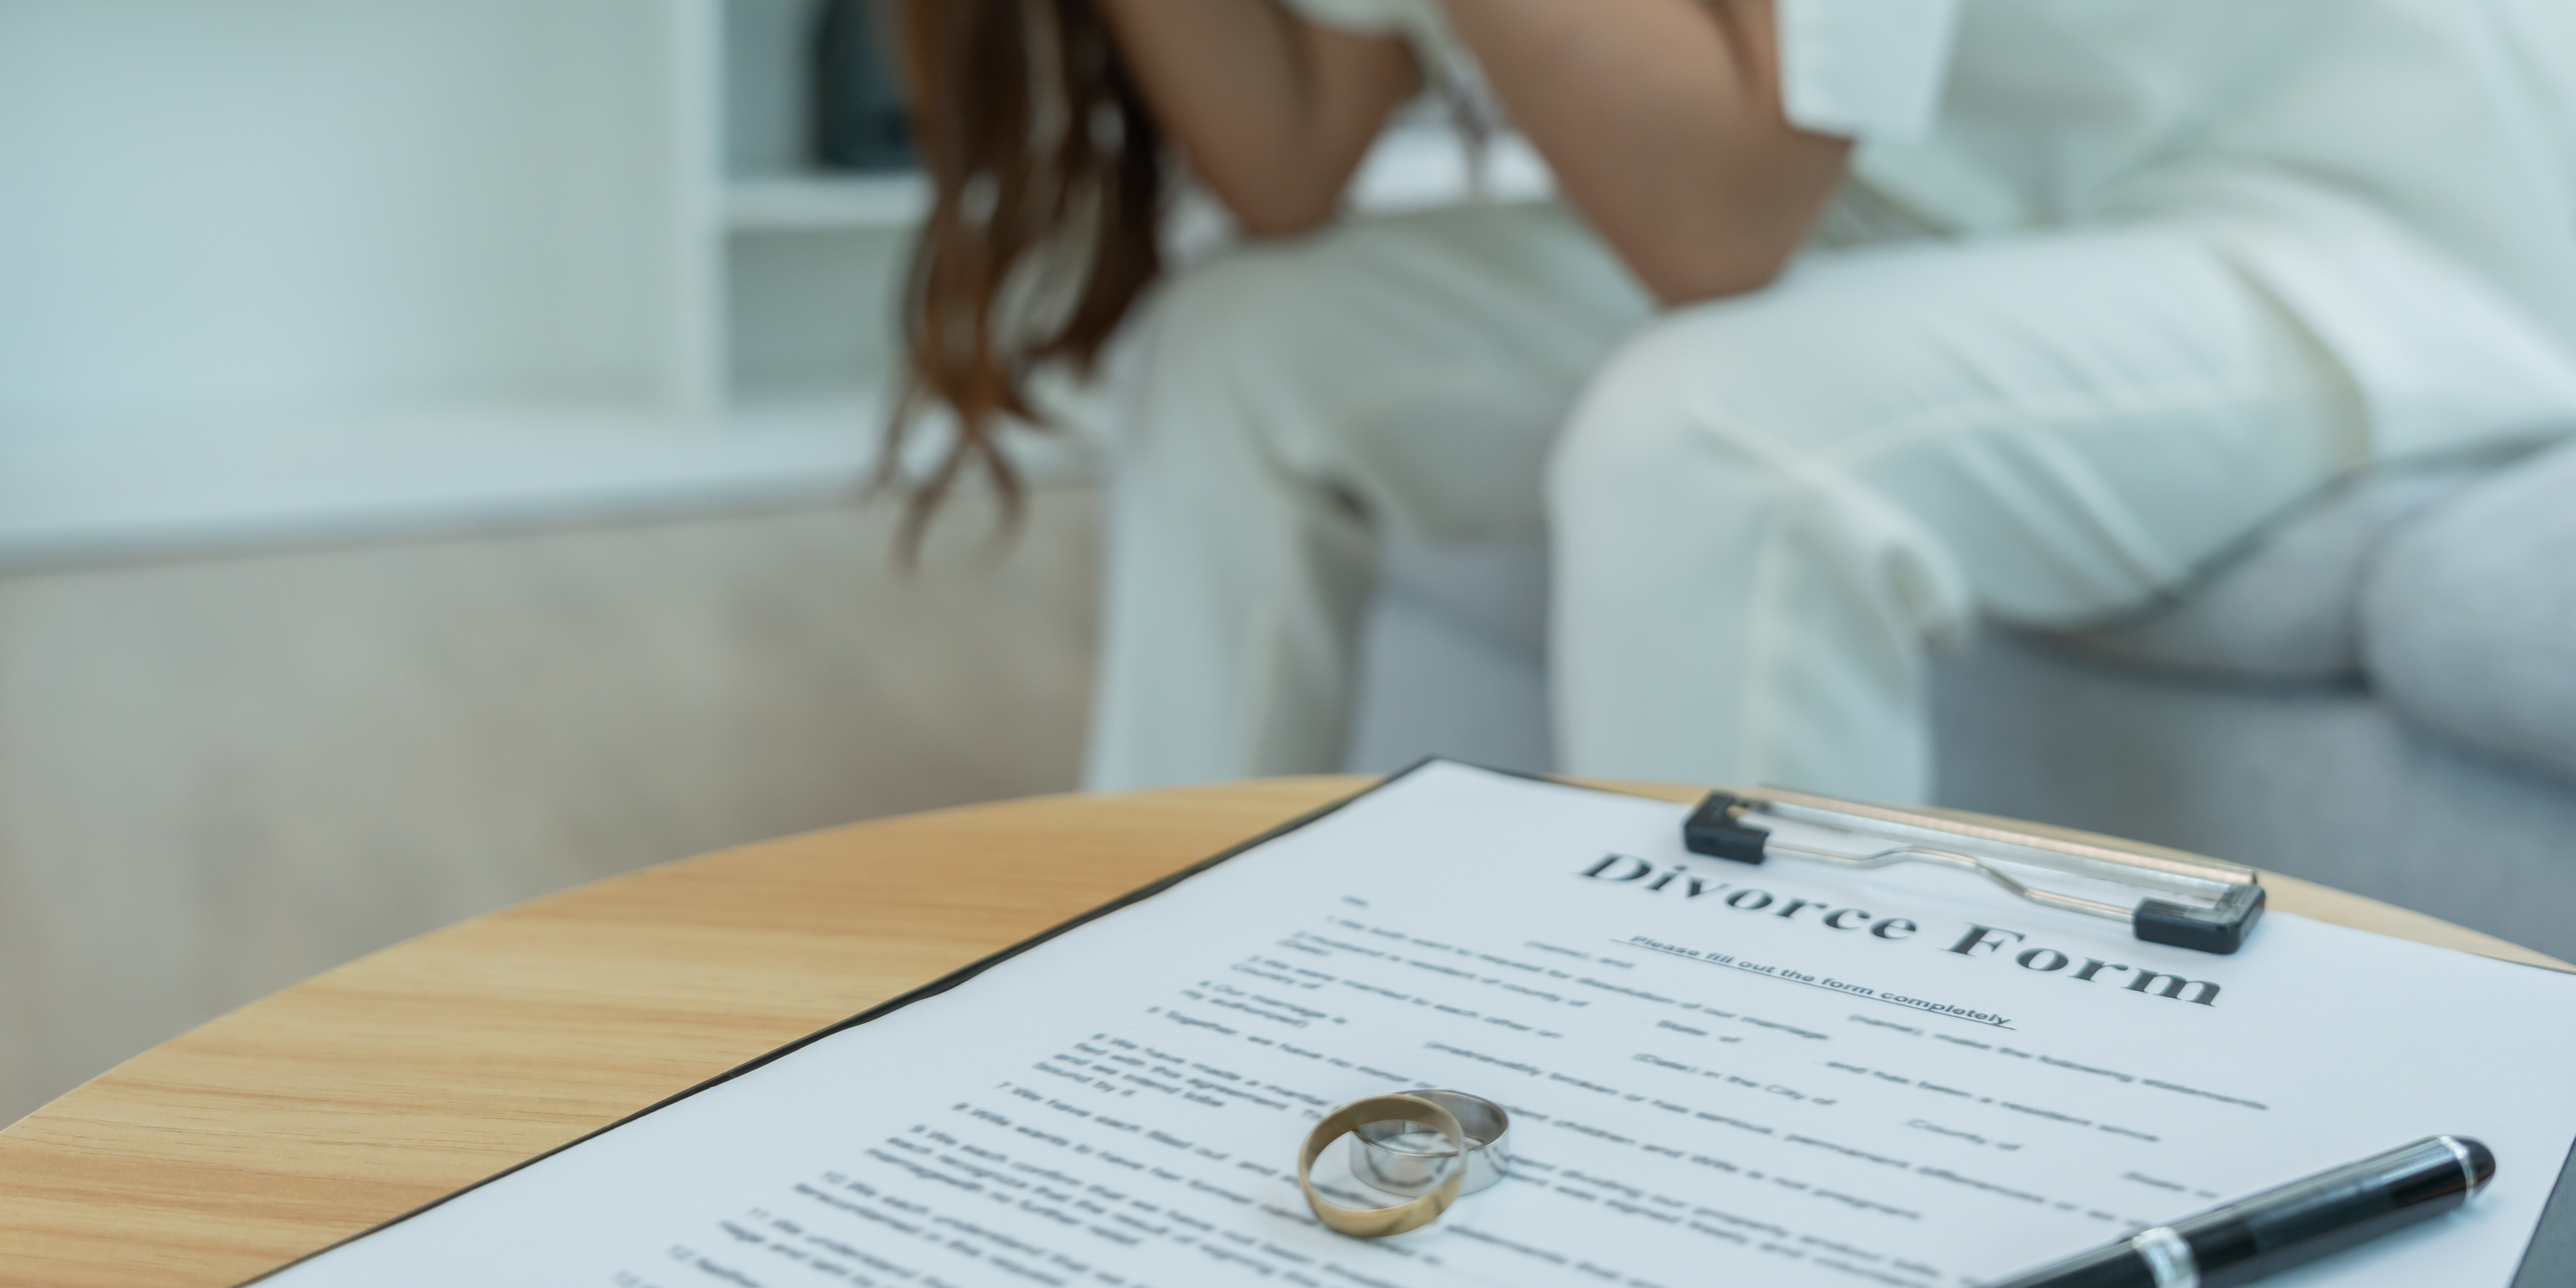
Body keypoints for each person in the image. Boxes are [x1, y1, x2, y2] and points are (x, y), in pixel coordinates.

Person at [892, 0, 2576, 801]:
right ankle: (1147, 1009)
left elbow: (1717, 218)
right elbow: (1292, 157)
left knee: (1718, 442)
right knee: (1245, 357)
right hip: (1940, 200)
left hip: (2351, 205)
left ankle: (1738, 1194)